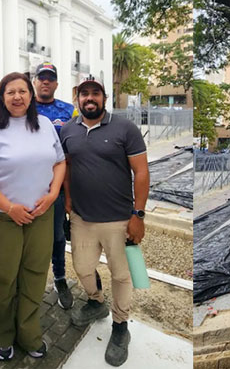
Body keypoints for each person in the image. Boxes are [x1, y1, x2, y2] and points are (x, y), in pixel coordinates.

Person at [0, 72, 66, 361]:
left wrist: (52, 194)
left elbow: (60, 162)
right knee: (2, 278)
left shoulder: (45, 125)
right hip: (2, 217)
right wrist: (9, 207)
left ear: (31, 95)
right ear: (2, 97)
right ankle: (1, 336)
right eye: (10, 92)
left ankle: (29, 333)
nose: (17, 97)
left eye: (22, 91)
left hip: (41, 214)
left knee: (35, 275)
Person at [59, 75, 149, 367]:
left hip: (119, 220)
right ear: (78, 99)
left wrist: (138, 215)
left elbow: (142, 172)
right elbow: (67, 168)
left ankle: (121, 327)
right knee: (83, 268)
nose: (89, 98)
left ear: (104, 99)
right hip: (82, 218)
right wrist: (69, 202)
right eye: (83, 93)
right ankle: (96, 302)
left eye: (94, 93)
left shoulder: (125, 128)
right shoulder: (68, 131)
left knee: (121, 275)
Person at [32, 62, 77, 309]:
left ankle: (59, 278)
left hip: (58, 186)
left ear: (56, 84)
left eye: (50, 78)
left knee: (58, 236)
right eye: (42, 78)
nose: (46, 82)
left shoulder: (69, 111)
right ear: (35, 81)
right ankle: (29, 280)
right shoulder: (24, 108)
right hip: (27, 186)